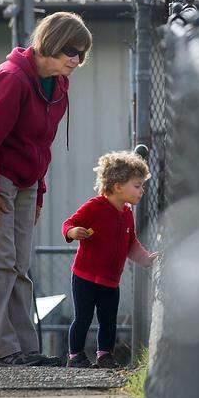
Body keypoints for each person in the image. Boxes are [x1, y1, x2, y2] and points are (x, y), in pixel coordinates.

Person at [0, 12, 92, 366]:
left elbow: (40, 145)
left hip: (26, 180)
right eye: (69, 50)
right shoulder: (11, 78)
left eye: (81, 54)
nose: (75, 60)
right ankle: (2, 353)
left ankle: (26, 350)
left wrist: (40, 189)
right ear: (49, 41)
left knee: (20, 263)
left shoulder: (59, 86)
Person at [63, 151, 159, 368]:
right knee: (83, 318)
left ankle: (105, 355)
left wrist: (144, 258)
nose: (141, 191)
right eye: (137, 185)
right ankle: (75, 355)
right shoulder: (95, 206)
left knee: (108, 320)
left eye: (142, 186)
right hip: (85, 277)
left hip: (110, 280)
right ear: (117, 186)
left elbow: (131, 243)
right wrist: (73, 232)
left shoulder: (127, 214)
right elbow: (69, 223)